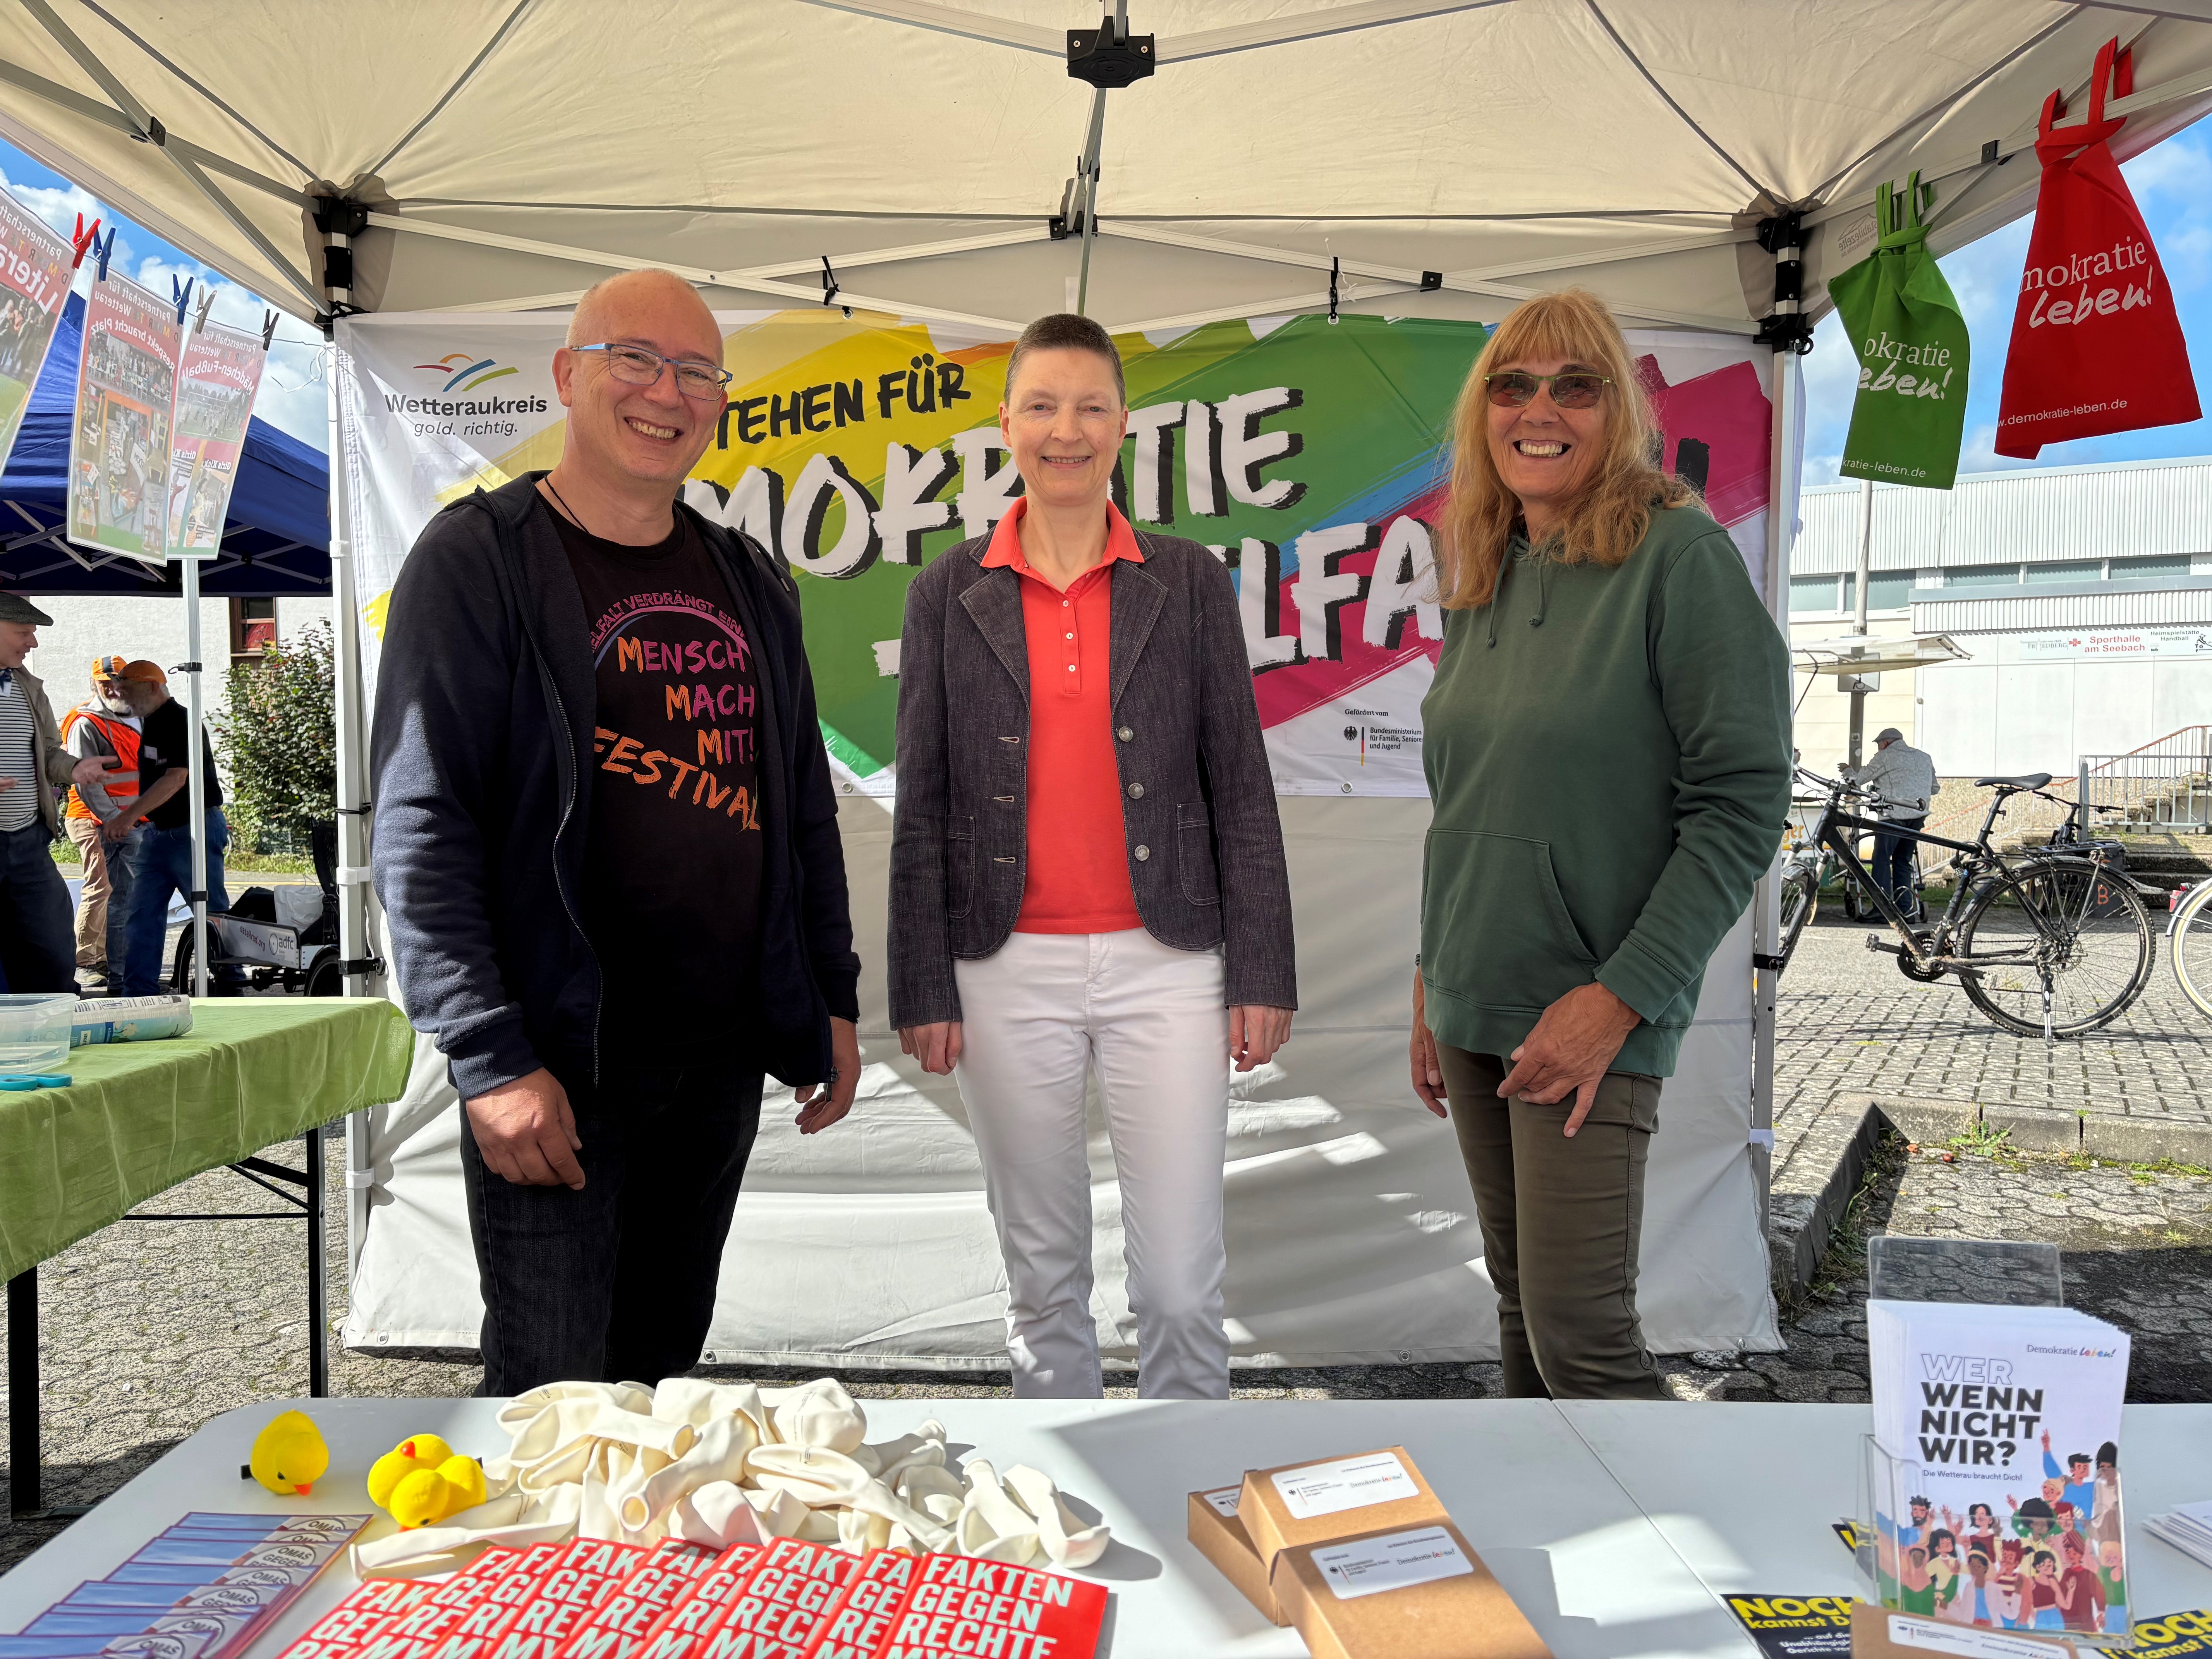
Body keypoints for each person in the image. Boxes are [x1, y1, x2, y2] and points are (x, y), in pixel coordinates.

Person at [371, 269, 861, 1395]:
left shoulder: (747, 579)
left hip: (717, 1066)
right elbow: (421, 823)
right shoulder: (478, 562)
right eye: (632, 360)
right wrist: (489, 1058)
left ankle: (628, 1582)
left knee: (653, 1386)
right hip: (560, 1070)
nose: (664, 392)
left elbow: (798, 811)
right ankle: (525, 1582)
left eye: (695, 371)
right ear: (566, 377)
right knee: (550, 1400)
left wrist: (827, 995)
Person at [888, 313, 1296, 1400]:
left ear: (1125, 424)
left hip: (1170, 965)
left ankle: (1193, 1503)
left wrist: (1262, 968)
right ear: (1006, 424)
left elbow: (1240, 785)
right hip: (1001, 967)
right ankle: (1060, 1509)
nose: (1064, 430)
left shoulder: (1189, 579)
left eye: (1089, 406)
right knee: (1043, 1279)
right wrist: (923, 980)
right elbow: (920, 800)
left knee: (1177, 1285)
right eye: (1040, 405)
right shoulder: (945, 590)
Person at [1407, 287, 1791, 1400]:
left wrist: (1617, 998)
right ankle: (1552, 1569)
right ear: (1484, 413)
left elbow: (1744, 802)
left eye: (1576, 384)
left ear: (1617, 408)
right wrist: (1436, 974)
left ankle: (1675, 1573)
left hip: (1592, 1012)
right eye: (1514, 385)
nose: (1542, 408)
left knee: (1583, 1338)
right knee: (1525, 1315)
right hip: (1477, 1000)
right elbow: (1463, 797)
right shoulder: (1483, 565)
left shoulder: (1681, 558)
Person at [0, 594, 128, 991]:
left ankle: (54, 1022)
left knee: (52, 945)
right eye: (24, 632)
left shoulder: (27, 687)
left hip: (27, 840)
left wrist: (74, 768)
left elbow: (50, 752)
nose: (32, 643)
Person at [112, 661, 244, 996]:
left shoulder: (179, 720)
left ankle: (231, 983)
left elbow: (176, 778)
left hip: (192, 830)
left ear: (153, 687)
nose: (120, 692)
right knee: (141, 913)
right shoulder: (152, 721)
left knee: (210, 910)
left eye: (127, 686)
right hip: (160, 833)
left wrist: (128, 817)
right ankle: (137, 992)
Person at [60, 655, 146, 993]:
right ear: (94, 683)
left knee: (116, 891)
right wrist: (114, 819)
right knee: (101, 888)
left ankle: (103, 958)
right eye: (103, 682)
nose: (111, 687)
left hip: (128, 818)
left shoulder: (132, 716)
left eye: (116, 681)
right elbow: (87, 781)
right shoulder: (87, 721)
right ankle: (84, 961)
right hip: (92, 817)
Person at [1854, 727, 1938, 918]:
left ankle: (1882, 911)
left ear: (1885, 743)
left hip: (1892, 817)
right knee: (1903, 861)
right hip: (1917, 818)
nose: (1878, 749)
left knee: (1882, 860)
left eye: (1878, 745)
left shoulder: (1885, 756)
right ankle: (1905, 909)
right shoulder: (1924, 757)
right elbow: (1934, 788)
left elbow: (1859, 779)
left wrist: (1848, 771)